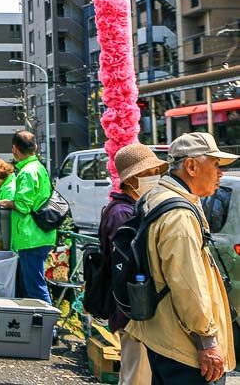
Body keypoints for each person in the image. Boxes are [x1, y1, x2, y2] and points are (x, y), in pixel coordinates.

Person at [126, 132, 238, 385]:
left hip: (162, 334)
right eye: (216, 164)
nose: (220, 173)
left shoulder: (157, 197)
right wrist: (207, 342)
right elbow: (188, 284)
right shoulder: (179, 214)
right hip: (184, 347)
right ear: (191, 166)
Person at [98, 144, 166, 385]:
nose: (153, 178)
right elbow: (128, 266)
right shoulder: (122, 214)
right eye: (147, 174)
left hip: (135, 308)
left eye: (155, 172)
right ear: (132, 179)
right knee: (136, 376)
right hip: (132, 309)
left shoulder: (132, 209)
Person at [0, 131, 56, 303]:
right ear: (35, 147)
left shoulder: (27, 172)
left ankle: (47, 328)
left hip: (31, 237)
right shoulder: (39, 168)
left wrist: (9, 203)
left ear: (14, 149)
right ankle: (39, 327)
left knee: (35, 287)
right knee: (31, 286)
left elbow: (23, 205)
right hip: (40, 234)